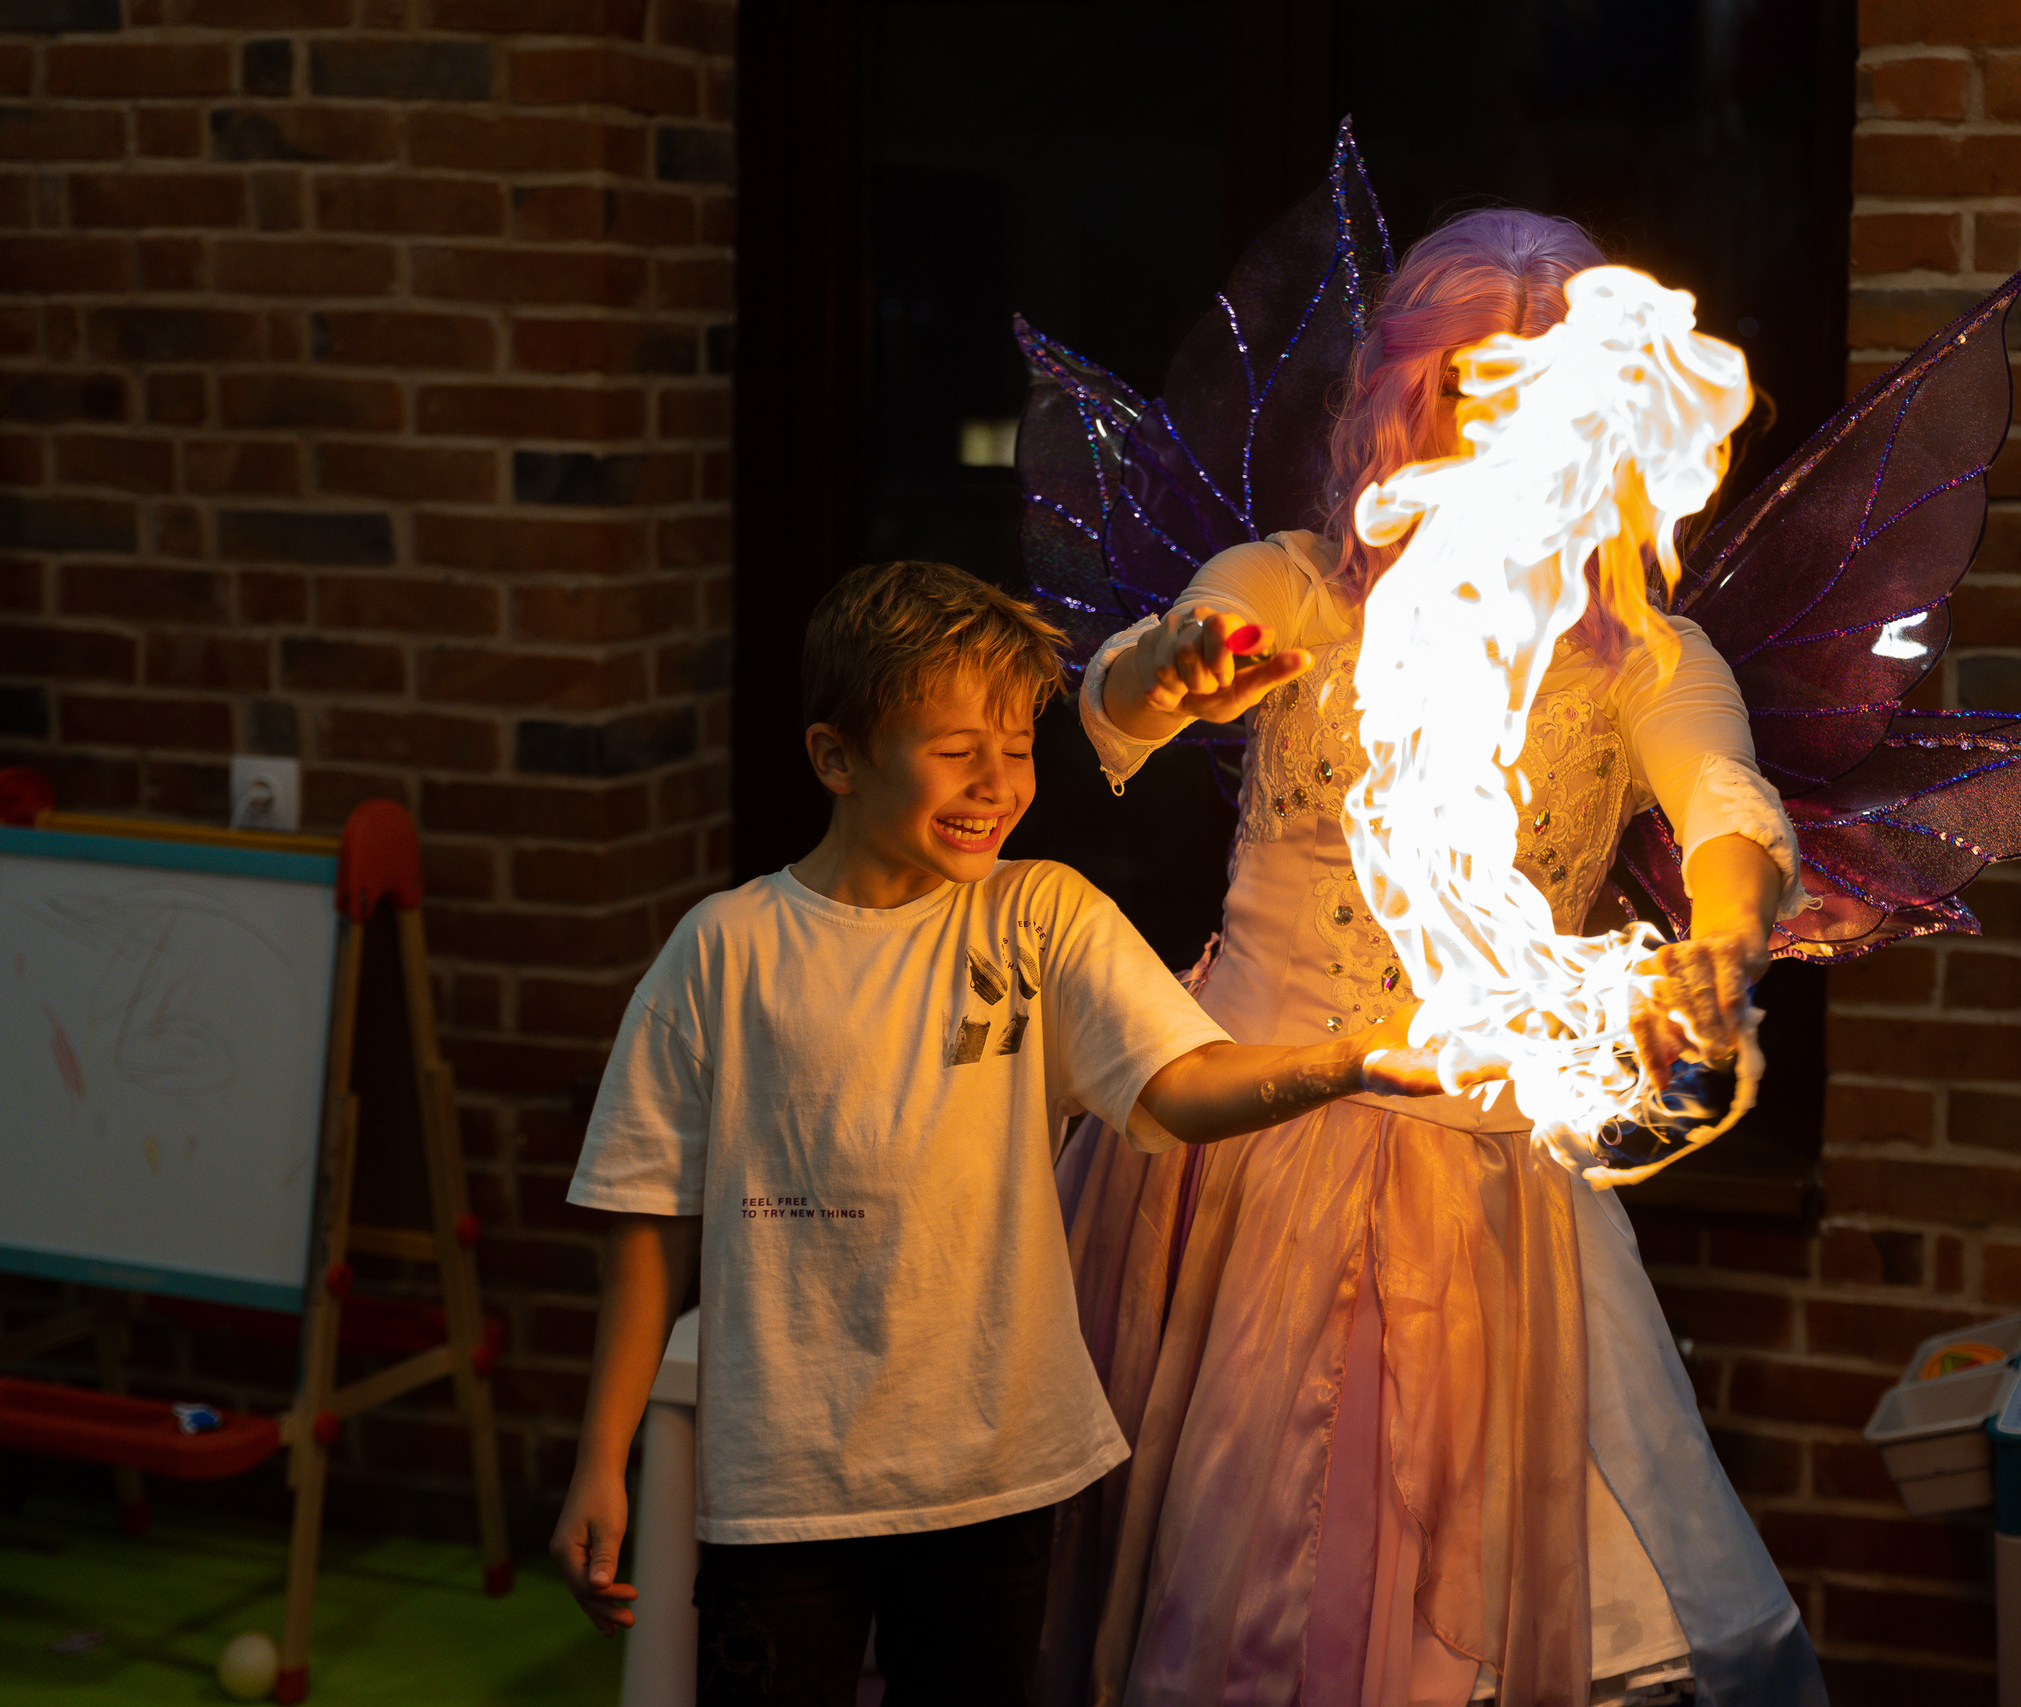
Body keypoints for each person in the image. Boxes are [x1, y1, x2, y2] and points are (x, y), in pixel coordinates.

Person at [1055, 212, 1829, 1705]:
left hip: (1479, 1173)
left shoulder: (1650, 659)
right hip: (1232, 1142)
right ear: (1412, 397)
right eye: (1478, 384)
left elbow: (1728, 805)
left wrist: (1724, 942)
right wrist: (1182, 661)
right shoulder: (1298, 585)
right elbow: (1135, 694)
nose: (1511, 421)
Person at [548, 560, 1466, 1707]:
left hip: (993, 1479)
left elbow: (1184, 1085)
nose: (996, 783)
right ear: (836, 758)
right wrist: (604, 1452)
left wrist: (1350, 1062)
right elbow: (647, 1219)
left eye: (1018, 748)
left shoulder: (1042, 915)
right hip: (782, 1487)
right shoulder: (724, 951)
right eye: (953, 750)